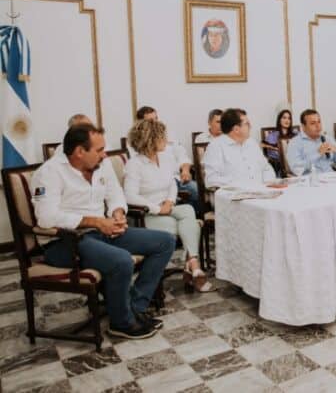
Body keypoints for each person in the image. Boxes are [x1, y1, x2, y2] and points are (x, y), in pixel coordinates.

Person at [31, 124, 175, 340]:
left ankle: (134, 306)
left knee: (165, 242)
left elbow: (115, 194)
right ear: (80, 151)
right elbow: (46, 217)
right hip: (65, 242)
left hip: (102, 232)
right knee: (121, 260)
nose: (105, 154)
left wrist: (117, 213)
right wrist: (96, 222)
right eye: (99, 150)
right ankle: (121, 323)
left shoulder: (102, 164)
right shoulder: (49, 172)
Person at [124, 119, 213, 293]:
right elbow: (129, 196)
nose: (167, 140)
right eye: (163, 136)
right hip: (146, 216)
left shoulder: (164, 158)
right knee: (192, 225)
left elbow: (173, 182)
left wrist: (170, 201)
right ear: (151, 139)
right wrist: (157, 209)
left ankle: (192, 263)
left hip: (169, 208)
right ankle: (193, 265)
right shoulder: (134, 165)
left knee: (188, 209)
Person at [135, 106, 200, 216]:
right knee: (193, 190)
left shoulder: (169, 135)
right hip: (158, 182)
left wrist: (185, 170)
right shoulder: (138, 142)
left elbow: (182, 156)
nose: (155, 123)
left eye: (156, 119)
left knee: (197, 188)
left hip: (178, 177)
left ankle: (197, 218)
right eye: (151, 121)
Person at [202, 108, 276, 187]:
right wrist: (243, 185)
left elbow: (266, 168)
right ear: (236, 129)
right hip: (235, 196)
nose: (250, 126)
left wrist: (268, 184)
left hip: (262, 192)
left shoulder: (252, 143)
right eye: (247, 124)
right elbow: (212, 180)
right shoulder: (215, 147)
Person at [286, 109, 336, 174]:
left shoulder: (328, 138)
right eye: (313, 123)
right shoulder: (295, 143)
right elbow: (296, 169)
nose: (318, 126)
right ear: (303, 126)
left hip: (331, 178)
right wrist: (318, 154)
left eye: (319, 122)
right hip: (310, 181)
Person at [263, 109, 297, 175]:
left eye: (289, 118)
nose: (287, 120)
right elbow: (266, 148)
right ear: (279, 120)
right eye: (284, 118)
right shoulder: (272, 136)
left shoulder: (295, 134)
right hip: (281, 166)